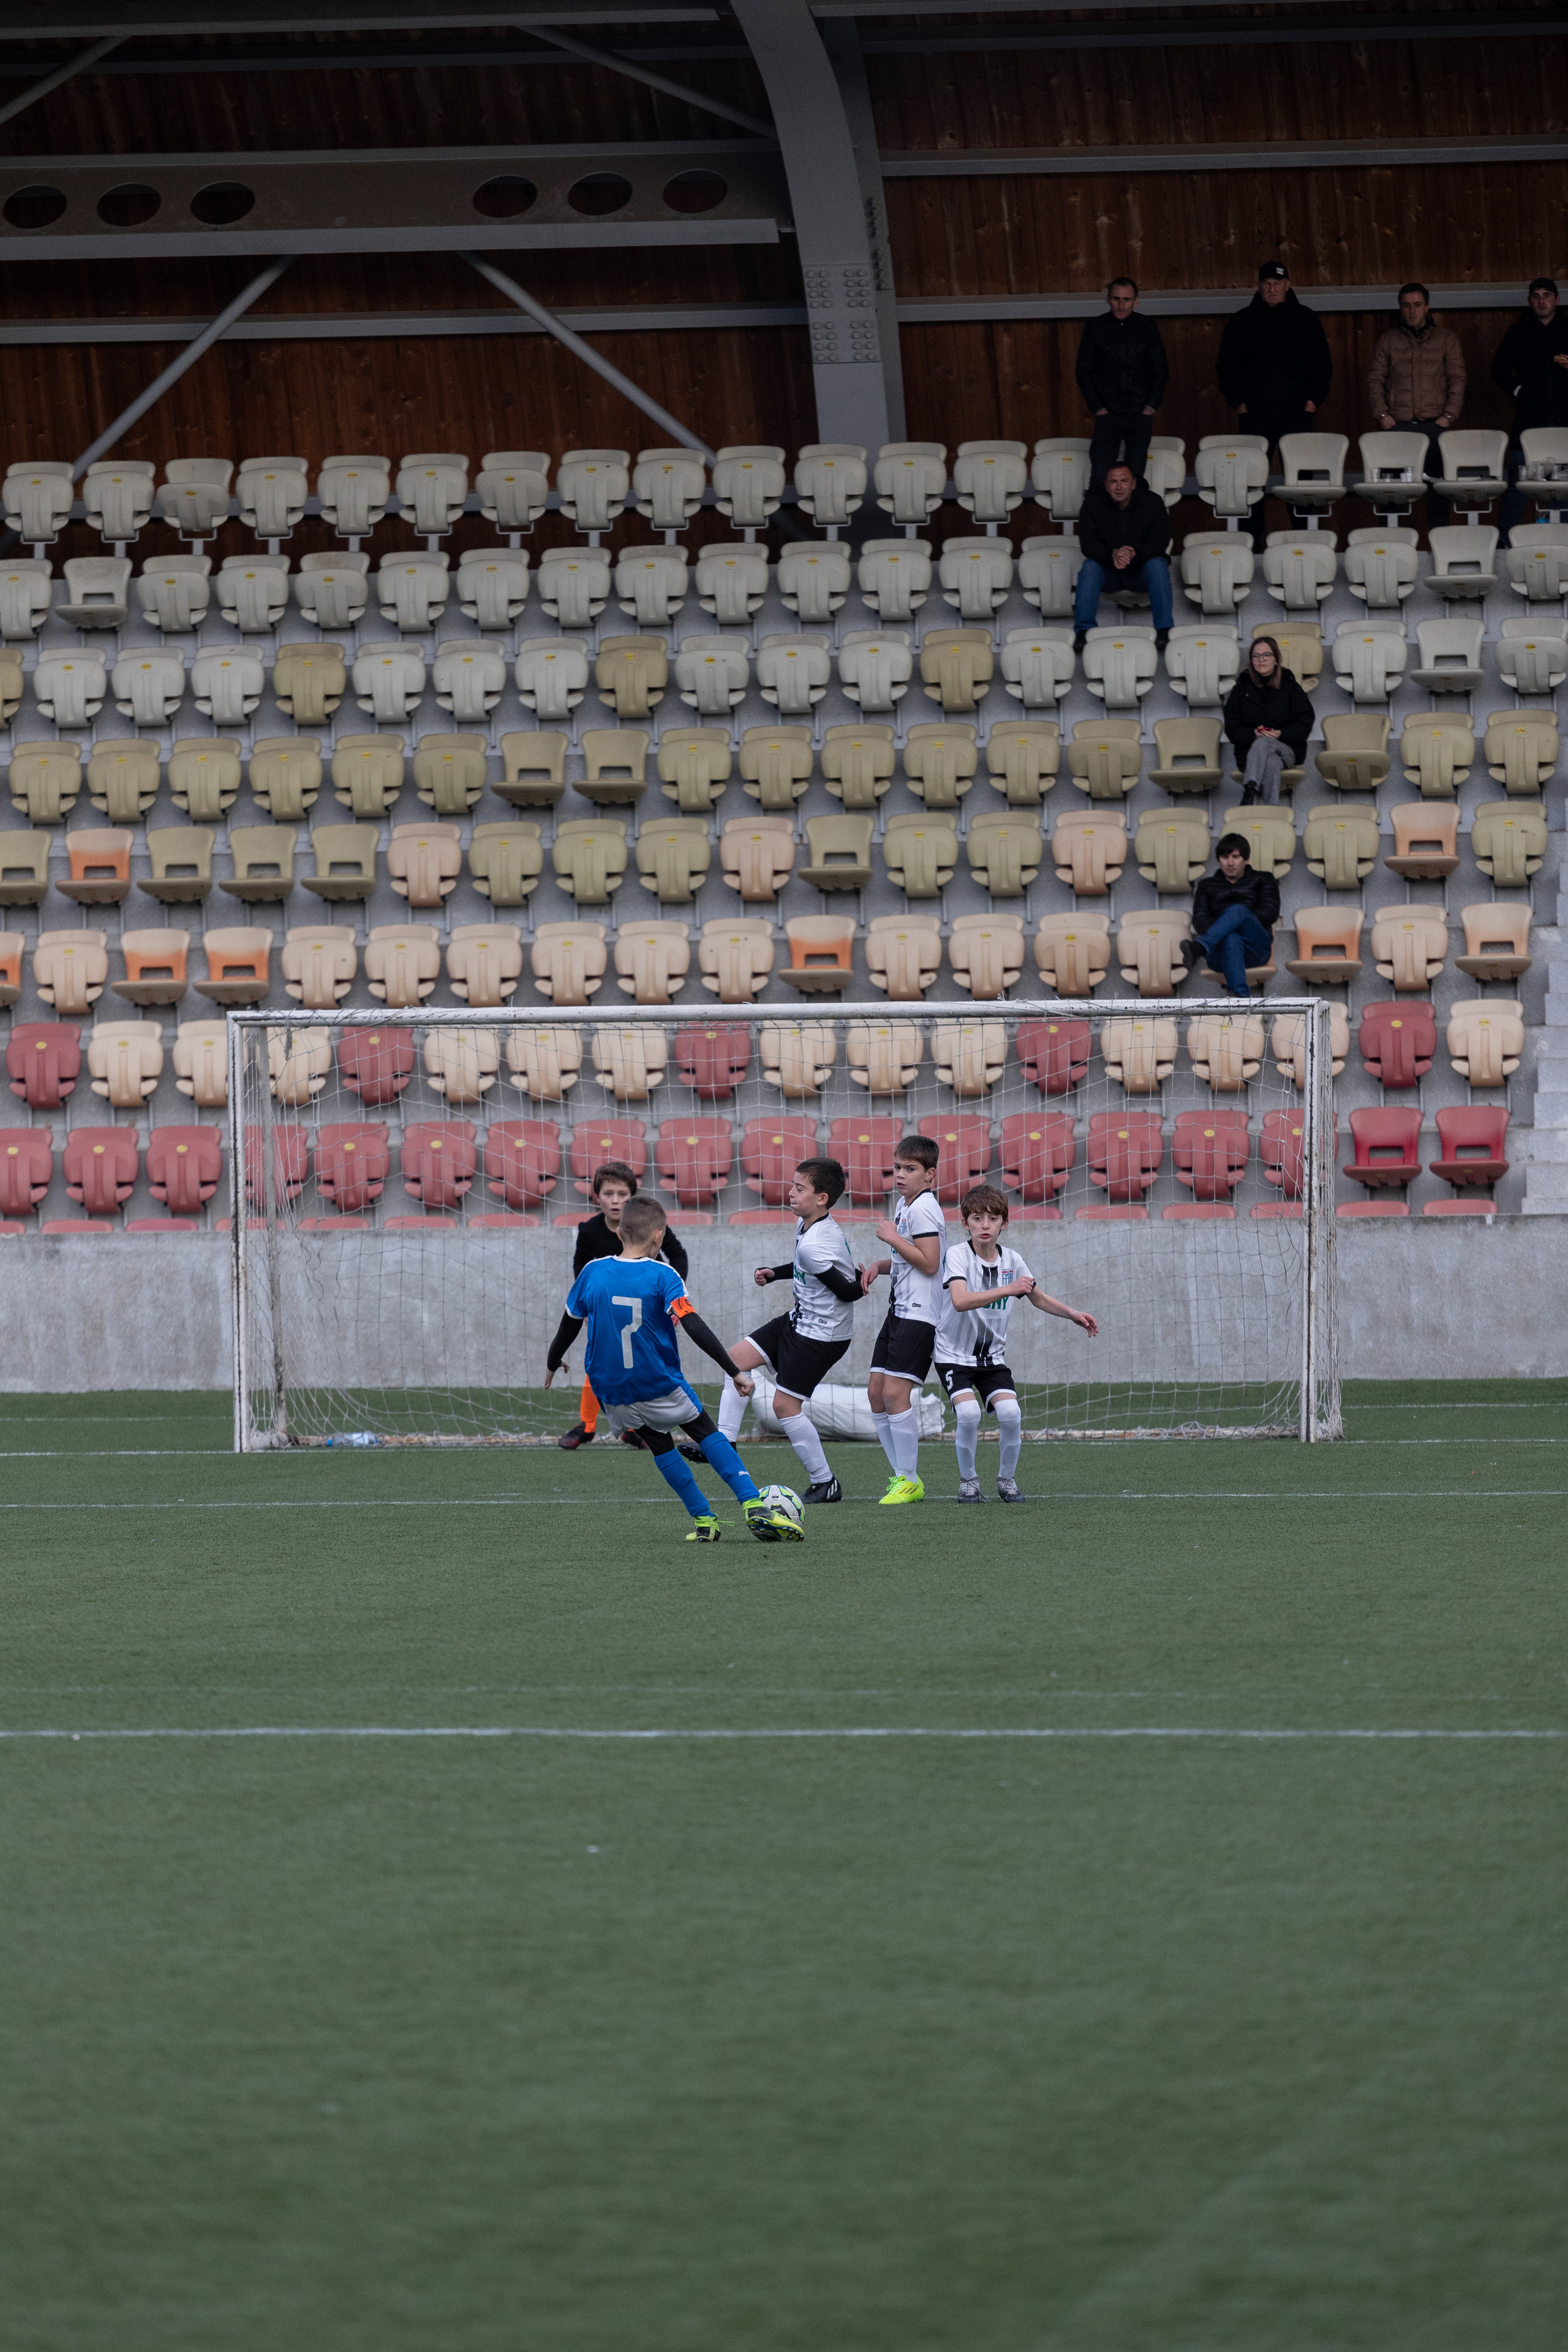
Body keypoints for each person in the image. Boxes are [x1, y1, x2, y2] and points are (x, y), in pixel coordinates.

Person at [544, 1194, 802, 1544]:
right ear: (659, 1237)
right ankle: (753, 1504)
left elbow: (569, 1325)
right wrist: (734, 1371)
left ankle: (705, 1520)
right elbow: (693, 1325)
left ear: (619, 1232)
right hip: (658, 1381)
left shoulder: (592, 1272)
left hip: (611, 1390)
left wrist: (552, 1361)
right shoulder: (664, 1275)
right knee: (707, 1432)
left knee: (659, 1445)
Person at [933, 1186, 1098, 1506]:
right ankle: (969, 1482)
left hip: (991, 1358)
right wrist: (1008, 1289)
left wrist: (1073, 1315)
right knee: (968, 1413)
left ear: (1004, 1223)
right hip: (953, 1355)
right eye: (977, 1218)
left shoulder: (1013, 1260)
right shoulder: (957, 1255)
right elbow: (960, 1301)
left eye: (992, 1219)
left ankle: (1006, 1480)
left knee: (1011, 1412)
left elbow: (1037, 1297)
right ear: (965, 1223)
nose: (985, 1225)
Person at [715, 1156, 864, 1507]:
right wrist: (775, 1273)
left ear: (822, 1198)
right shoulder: (809, 1225)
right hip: (799, 1321)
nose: (791, 1193)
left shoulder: (815, 1242)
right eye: (793, 1186)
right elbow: (808, 1267)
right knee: (736, 1359)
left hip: (822, 1336)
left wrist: (863, 1279)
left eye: (800, 1188)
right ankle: (724, 1444)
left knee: (784, 1406)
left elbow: (846, 1292)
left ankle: (825, 1482)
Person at [552, 1160, 688, 1451]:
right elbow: (581, 1264)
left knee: (646, 1364)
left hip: (650, 1310)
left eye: (623, 1194)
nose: (616, 1201)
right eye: (609, 1194)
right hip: (610, 1312)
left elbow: (678, 1255)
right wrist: (589, 1302)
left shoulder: (651, 1226)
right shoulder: (589, 1231)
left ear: (633, 1197)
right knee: (601, 1361)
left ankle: (635, 1427)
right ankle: (588, 1425)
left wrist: (674, 1298)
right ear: (597, 1197)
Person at [1215, 262, 1334, 549]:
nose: (1272, 289)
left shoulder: (1305, 319)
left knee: (1301, 483)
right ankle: (1251, 545)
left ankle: (1306, 541)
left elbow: (1323, 364)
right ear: (1259, 287)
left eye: (1277, 284)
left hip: (1297, 415)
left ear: (1288, 285)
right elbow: (1226, 367)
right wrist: (1238, 402)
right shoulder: (1243, 321)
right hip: (1255, 416)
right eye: (1267, 284)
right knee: (1251, 482)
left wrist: (1313, 401)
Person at [862, 1134, 947, 1509]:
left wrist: (891, 1239)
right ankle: (903, 1476)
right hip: (899, 1310)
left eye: (910, 1169)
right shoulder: (904, 1204)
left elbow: (929, 1262)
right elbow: (908, 1259)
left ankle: (910, 1480)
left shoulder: (924, 1208)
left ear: (930, 1175)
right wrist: (880, 1266)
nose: (900, 1174)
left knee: (895, 1395)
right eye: (897, 1167)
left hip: (920, 1315)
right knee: (875, 1392)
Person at [1366, 282, 1466, 528]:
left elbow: (1457, 378)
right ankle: (1391, 543)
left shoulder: (1446, 339)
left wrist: (1449, 416)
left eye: (1417, 305)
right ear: (1400, 308)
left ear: (1427, 307)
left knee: (1438, 493)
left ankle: (1439, 544)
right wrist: (1382, 415)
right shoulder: (1388, 339)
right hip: (1397, 426)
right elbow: (1376, 379)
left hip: (1435, 425)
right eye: (1407, 305)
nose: (1412, 311)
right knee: (1391, 493)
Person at [1492, 276, 1568, 543]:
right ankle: (1504, 543)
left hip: (1565, 420)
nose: (1542, 301)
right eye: (1536, 296)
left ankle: (1563, 541)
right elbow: (1498, 370)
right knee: (1517, 483)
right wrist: (1519, 392)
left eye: (1547, 295)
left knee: (1563, 486)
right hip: (1528, 420)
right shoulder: (1519, 332)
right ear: (1529, 301)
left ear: (1557, 300)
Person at [1075, 277, 1170, 487]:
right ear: (1108, 299)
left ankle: (1133, 511)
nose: (1121, 305)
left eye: (1126, 300)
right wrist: (1098, 407)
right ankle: (1097, 510)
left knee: (1135, 478)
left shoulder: (1147, 327)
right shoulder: (1096, 327)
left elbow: (1161, 370)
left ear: (1136, 301)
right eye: (1116, 299)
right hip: (1108, 413)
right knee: (1100, 475)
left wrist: (1150, 407)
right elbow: (1083, 371)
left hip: (1140, 414)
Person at [1072, 459, 1174, 652]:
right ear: (1106, 485)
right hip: (1109, 572)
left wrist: (1134, 553)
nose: (1119, 487)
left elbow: (1161, 541)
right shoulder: (1093, 504)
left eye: (1124, 481)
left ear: (1134, 484)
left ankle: (1164, 630)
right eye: (1113, 482)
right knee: (1090, 567)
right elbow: (1088, 545)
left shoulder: (1152, 502)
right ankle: (1084, 632)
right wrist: (1113, 554)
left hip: (1142, 571)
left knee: (1158, 564)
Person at [1185, 832, 1282, 999]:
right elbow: (1200, 922)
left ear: (1247, 859)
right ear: (1219, 860)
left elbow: (1270, 912)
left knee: (1238, 911)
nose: (1230, 863)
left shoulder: (1264, 879)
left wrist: (1238, 920)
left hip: (1256, 950)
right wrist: (1227, 927)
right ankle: (1240, 997)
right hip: (1218, 955)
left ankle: (1200, 947)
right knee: (1231, 937)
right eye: (1225, 857)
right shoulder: (1206, 885)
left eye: (1236, 857)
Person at [1223, 633, 1313, 805]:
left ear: (1276, 660)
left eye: (1266, 655)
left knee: (1264, 743)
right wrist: (1254, 734)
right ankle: (1271, 810)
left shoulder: (1290, 686)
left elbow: (1305, 721)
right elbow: (1232, 728)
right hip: (1250, 754)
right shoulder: (1241, 689)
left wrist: (1281, 734)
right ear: (1251, 661)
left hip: (1286, 749)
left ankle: (1250, 788)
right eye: (1256, 656)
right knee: (1272, 762)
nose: (1261, 660)